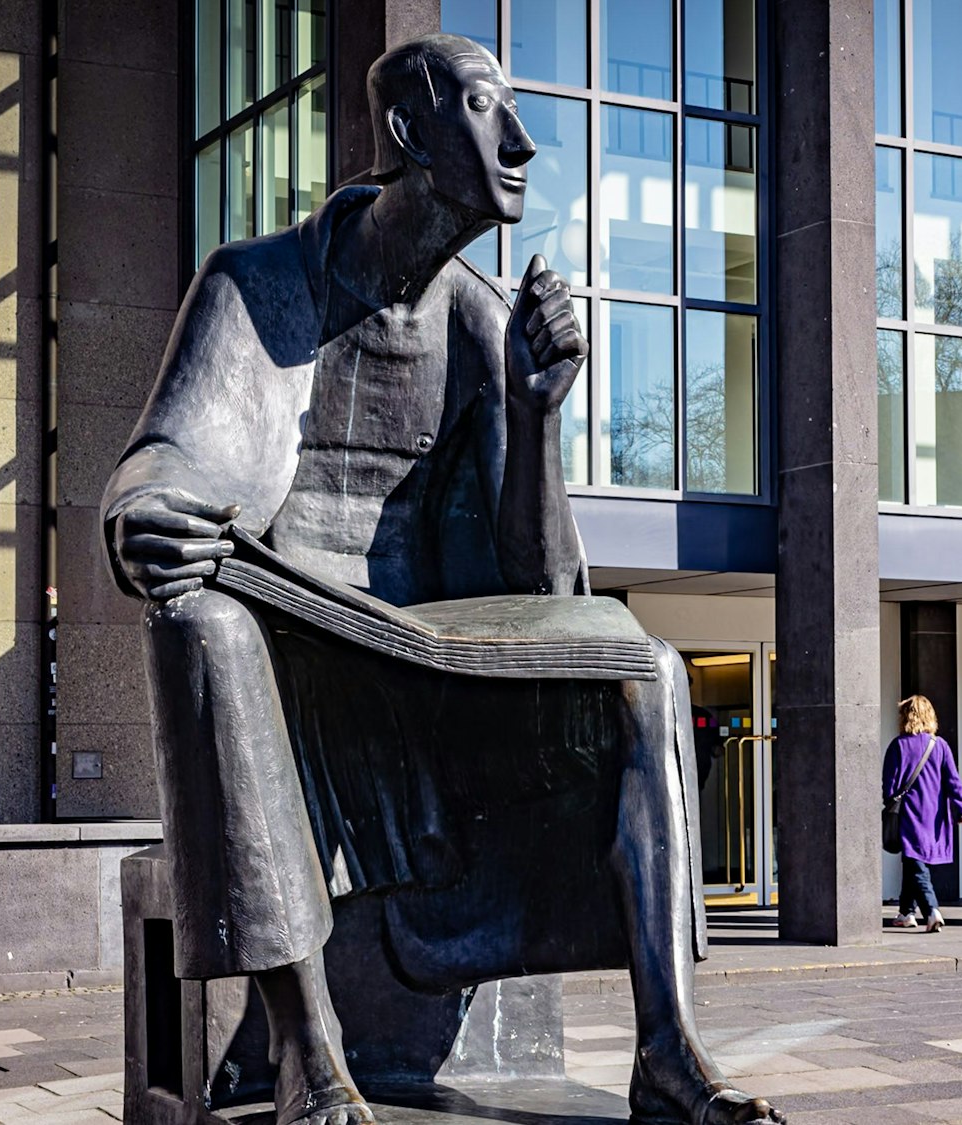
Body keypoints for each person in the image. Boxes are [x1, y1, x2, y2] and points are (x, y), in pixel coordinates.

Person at [103, 33, 783, 1125]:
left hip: (434, 682)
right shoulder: (257, 285)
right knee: (201, 627)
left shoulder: (476, 318)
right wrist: (141, 512)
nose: (517, 143)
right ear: (411, 132)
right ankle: (305, 1050)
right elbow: (171, 454)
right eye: (482, 108)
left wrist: (532, 412)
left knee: (645, 668)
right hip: (286, 666)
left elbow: (541, 578)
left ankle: (668, 1047)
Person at [882, 695, 962, 932]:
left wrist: (890, 803)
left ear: (905, 717)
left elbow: (889, 787)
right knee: (913, 861)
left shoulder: (898, 746)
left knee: (916, 863)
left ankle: (932, 911)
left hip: (910, 813)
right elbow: (954, 781)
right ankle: (906, 912)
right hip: (935, 815)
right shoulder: (939, 745)